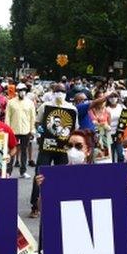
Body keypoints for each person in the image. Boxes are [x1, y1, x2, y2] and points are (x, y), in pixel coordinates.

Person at [29, 83, 75, 218]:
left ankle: (61, 202)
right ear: (53, 92)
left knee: (63, 175)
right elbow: (38, 122)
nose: (59, 93)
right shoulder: (45, 106)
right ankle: (34, 206)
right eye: (57, 90)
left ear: (66, 92)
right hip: (47, 146)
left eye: (62, 90)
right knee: (40, 174)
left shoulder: (71, 108)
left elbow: (74, 127)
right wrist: (39, 130)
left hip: (63, 147)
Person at [7, 83, 36, 178]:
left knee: (24, 151)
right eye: (20, 90)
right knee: (12, 152)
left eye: (24, 90)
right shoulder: (11, 102)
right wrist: (8, 130)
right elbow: (7, 117)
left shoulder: (30, 103)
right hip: (13, 131)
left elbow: (33, 117)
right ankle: (8, 172)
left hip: (26, 131)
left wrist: (32, 130)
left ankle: (23, 171)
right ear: (17, 91)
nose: (22, 92)